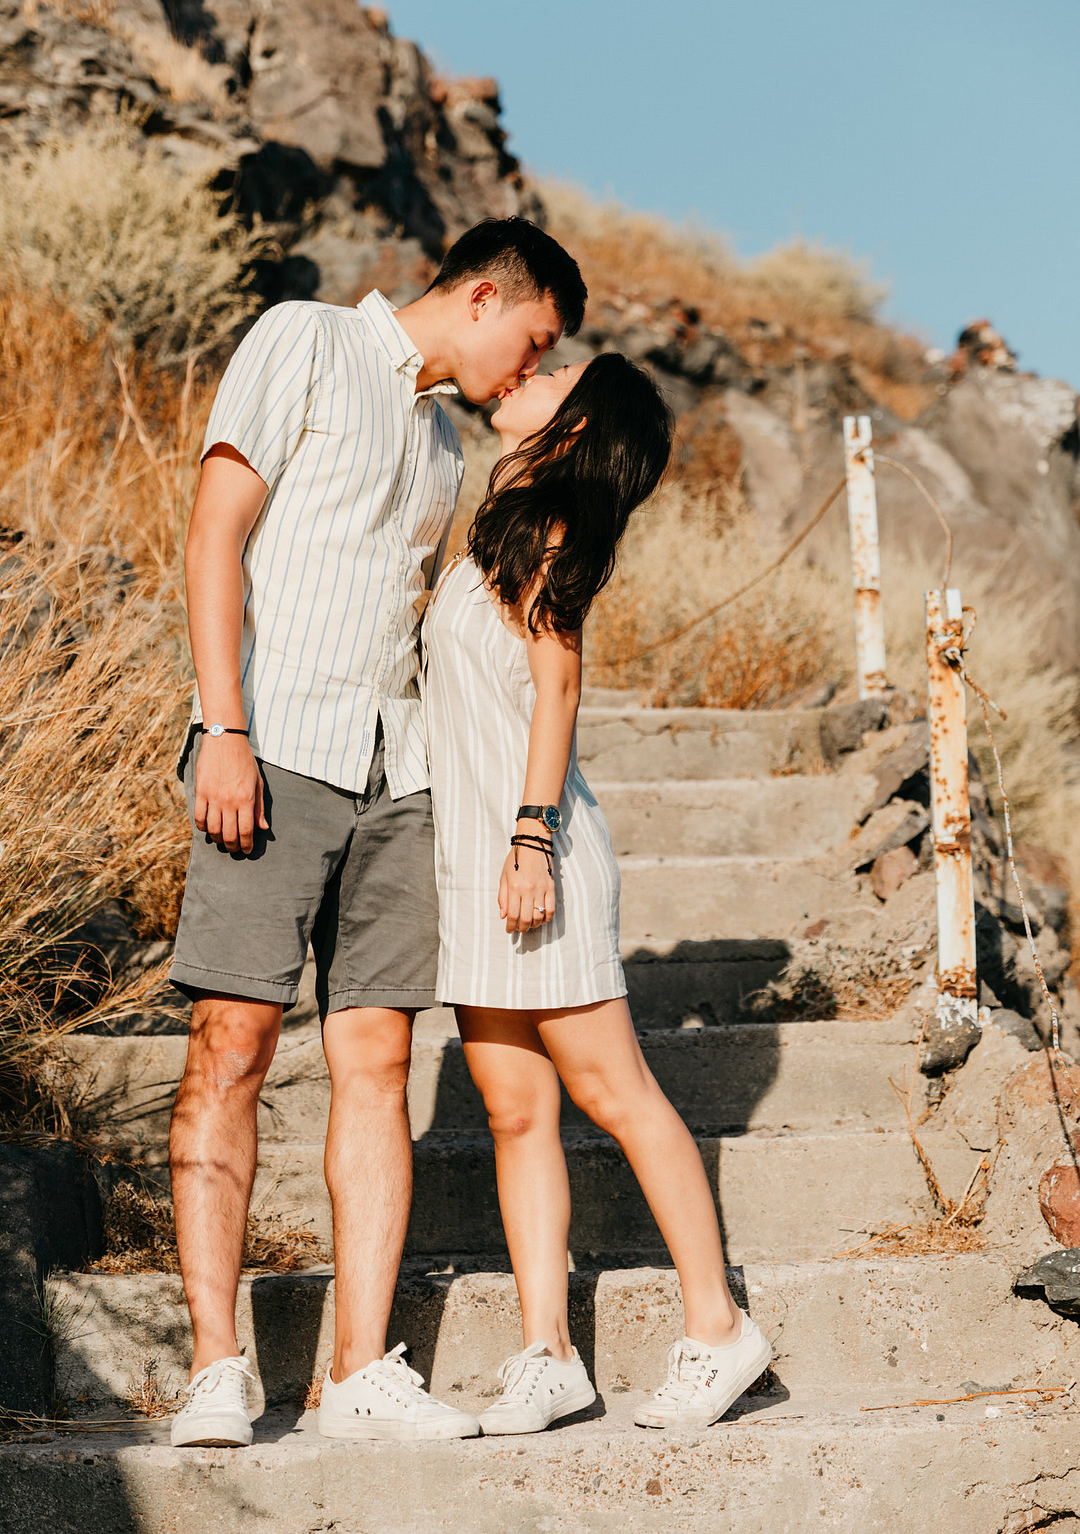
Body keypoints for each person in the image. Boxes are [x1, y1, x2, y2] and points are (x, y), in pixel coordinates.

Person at [166, 218, 588, 1448]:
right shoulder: (301, 338)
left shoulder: (446, 440)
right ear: (483, 294)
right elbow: (215, 535)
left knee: (381, 1064)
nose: (527, 367)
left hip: (395, 776)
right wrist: (224, 729)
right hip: (274, 748)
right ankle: (214, 1369)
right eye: (534, 339)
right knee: (230, 1045)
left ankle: (356, 1371)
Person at [422, 354, 774, 1436]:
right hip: (469, 850)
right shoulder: (501, 514)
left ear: (577, 422)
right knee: (514, 1109)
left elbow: (557, 686)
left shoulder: (552, 531)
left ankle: (720, 1329)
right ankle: (549, 1355)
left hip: (536, 848)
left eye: (555, 371)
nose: (528, 373)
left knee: (616, 1095)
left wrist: (529, 837)